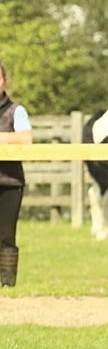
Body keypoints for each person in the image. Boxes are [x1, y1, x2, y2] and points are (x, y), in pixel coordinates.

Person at [0, 61, 32, 286]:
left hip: (9, 181)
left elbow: (26, 138)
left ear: (4, 81)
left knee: (6, 236)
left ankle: (7, 283)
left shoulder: (16, 110)